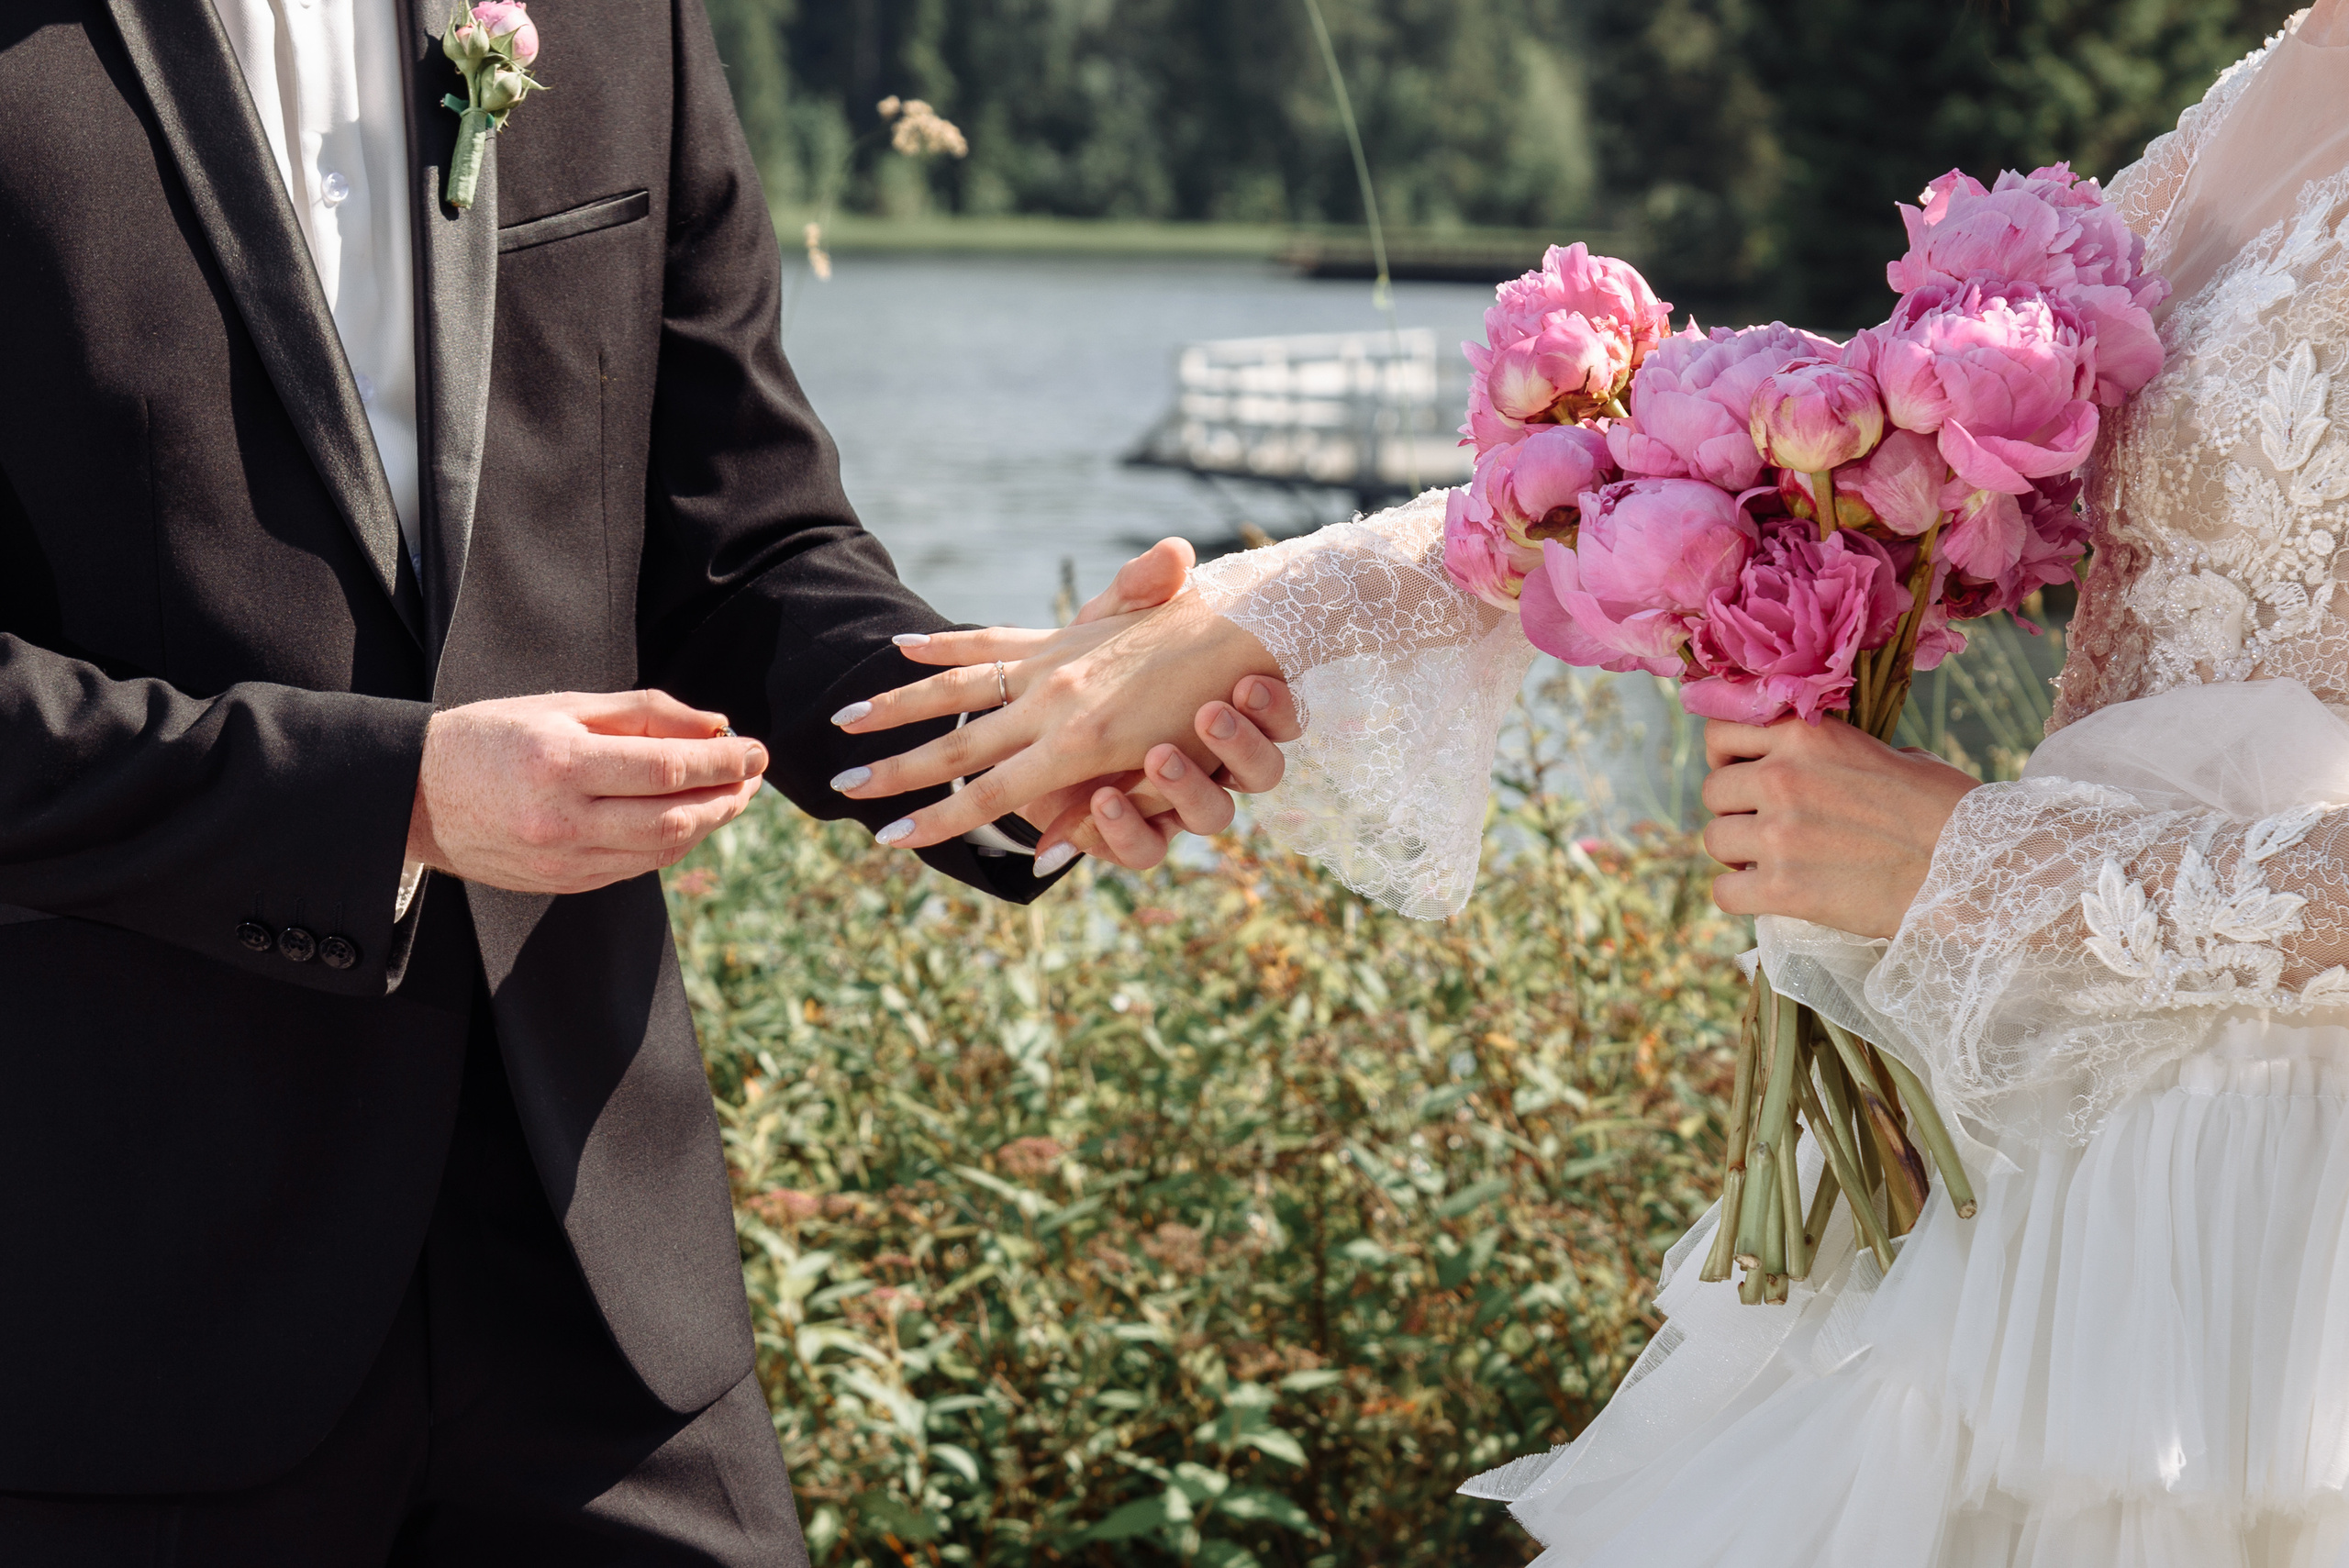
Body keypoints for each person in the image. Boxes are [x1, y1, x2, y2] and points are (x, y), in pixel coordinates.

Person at [848, 6, 2349, 1559]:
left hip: (2287, 1257)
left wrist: (1972, 863)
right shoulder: (2286, 73)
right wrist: (1256, 617)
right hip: (2074, 1168)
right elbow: (1847, 438)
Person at [0, 1, 1291, 1561]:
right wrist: (390, 803)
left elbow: (747, 543)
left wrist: (1005, 741)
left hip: (602, 1280)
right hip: (112, 1299)